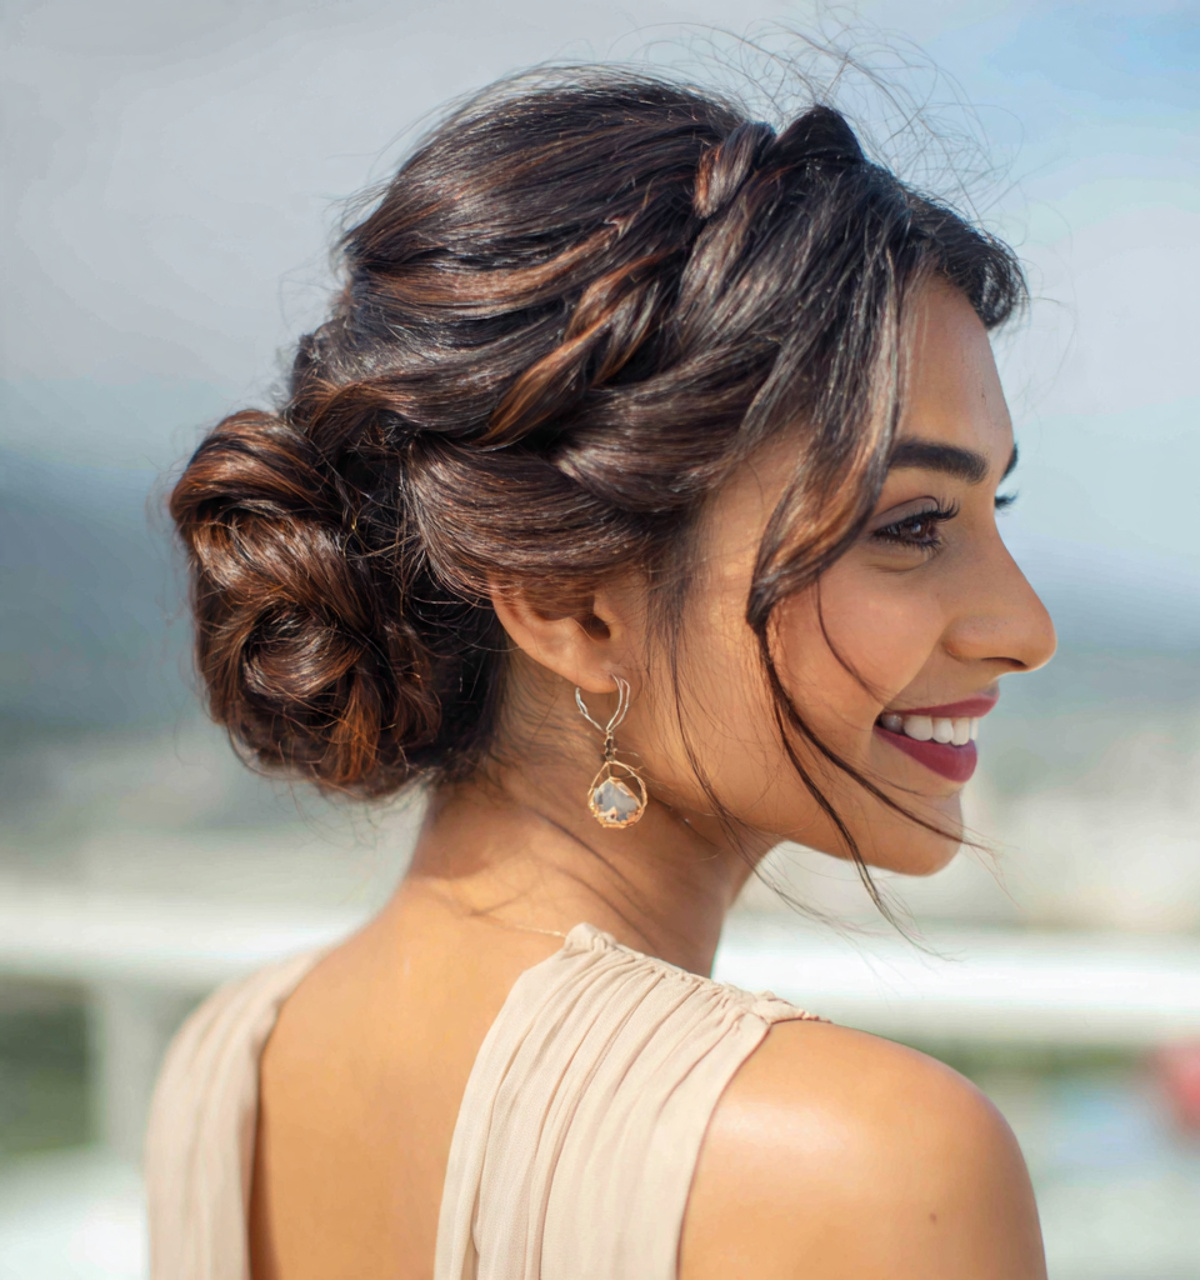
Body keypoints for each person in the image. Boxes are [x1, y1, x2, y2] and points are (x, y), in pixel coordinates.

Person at [148, 68, 1056, 1280]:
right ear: (573, 604)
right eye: (908, 523)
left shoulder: (221, 1066)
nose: (1024, 625)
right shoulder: (874, 1165)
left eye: (990, 506)